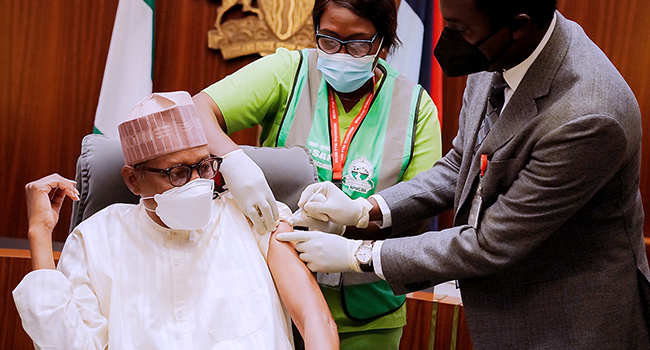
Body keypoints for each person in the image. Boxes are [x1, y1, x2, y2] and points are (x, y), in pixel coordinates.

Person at [276, 0, 650, 349]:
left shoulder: (590, 116)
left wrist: (358, 254)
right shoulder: (497, 55)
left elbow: (491, 242)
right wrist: (367, 209)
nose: (449, 39)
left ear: (517, 26)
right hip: (502, 308)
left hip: (569, 322)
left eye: (458, 27)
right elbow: (460, 164)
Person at [192, 0, 442, 347]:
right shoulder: (289, 72)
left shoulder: (416, 108)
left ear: (383, 43)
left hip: (370, 316)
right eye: (329, 39)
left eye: (357, 43)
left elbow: (419, 211)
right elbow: (196, 111)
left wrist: (349, 224)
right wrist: (233, 161)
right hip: (272, 300)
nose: (340, 53)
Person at [13, 91, 338, 350]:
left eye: (204, 167)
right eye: (178, 173)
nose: (197, 183)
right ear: (133, 180)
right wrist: (39, 234)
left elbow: (316, 321)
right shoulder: (97, 239)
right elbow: (67, 344)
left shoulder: (252, 217)